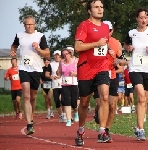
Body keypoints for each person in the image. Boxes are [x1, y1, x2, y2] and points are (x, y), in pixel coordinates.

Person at [74, 0, 113, 146]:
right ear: (90, 11)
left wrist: (109, 50)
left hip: (102, 67)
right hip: (85, 68)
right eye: (96, 7)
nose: (100, 9)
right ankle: (80, 130)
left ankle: (102, 131)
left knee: (104, 96)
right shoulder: (84, 25)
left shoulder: (105, 27)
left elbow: (105, 43)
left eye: (101, 7)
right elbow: (78, 46)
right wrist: (96, 43)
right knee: (84, 103)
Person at [10, 15, 50, 135]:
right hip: (23, 68)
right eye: (27, 24)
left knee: (33, 97)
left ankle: (31, 117)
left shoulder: (40, 36)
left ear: (35, 24)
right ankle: (29, 124)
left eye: (31, 24)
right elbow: (14, 45)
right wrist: (13, 50)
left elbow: (47, 53)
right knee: (26, 96)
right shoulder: (19, 35)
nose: (29, 26)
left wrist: (38, 49)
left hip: (36, 69)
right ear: (24, 25)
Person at [93, 20, 125, 141]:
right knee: (101, 103)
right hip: (98, 76)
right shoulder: (96, 42)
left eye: (109, 30)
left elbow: (121, 64)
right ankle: (98, 112)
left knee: (112, 105)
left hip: (112, 76)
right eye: (105, 30)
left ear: (112, 31)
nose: (108, 32)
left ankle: (106, 130)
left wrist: (116, 59)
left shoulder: (116, 43)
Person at [124, 8, 148, 141]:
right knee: (140, 97)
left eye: (145, 17)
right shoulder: (131, 33)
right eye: (141, 17)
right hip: (135, 69)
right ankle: (140, 129)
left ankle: (138, 125)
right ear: (137, 19)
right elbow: (125, 45)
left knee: (144, 100)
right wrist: (128, 48)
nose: (143, 20)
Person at [57, 48, 79, 126]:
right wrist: (57, 76)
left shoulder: (76, 61)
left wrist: (75, 74)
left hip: (74, 84)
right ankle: (69, 120)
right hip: (64, 85)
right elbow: (59, 73)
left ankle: (76, 112)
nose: (65, 56)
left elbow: (81, 72)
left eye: (66, 54)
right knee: (66, 102)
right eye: (63, 55)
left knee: (74, 103)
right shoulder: (61, 62)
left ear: (70, 53)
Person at [45, 50, 67, 122]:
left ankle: (64, 114)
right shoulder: (51, 64)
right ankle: (60, 115)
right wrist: (51, 76)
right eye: (55, 55)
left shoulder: (64, 62)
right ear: (54, 56)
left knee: (63, 100)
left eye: (58, 55)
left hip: (63, 84)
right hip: (55, 85)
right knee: (57, 101)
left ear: (60, 55)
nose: (57, 56)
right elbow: (46, 74)